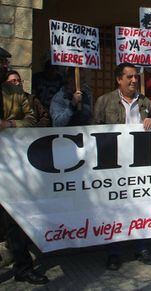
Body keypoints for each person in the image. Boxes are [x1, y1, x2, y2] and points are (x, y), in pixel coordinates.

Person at [93, 62, 151, 270]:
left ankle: (142, 248)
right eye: (129, 77)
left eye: (136, 76)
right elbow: (93, 132)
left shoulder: (145, 101)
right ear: (118, 79)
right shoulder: (104, 102)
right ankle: (114, 252)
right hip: (113, 166)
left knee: (140, 206)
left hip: (139, 166)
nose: (133, 80)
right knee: (114, 209)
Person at [0, 46, 48, 284]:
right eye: (1, 63)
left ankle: (23, 268)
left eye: (5, 64)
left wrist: (8, 125)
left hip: (11, 168)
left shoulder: (16, 93)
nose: (5, 67)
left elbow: (31, 119)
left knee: (15, 221)